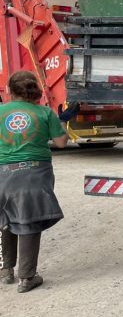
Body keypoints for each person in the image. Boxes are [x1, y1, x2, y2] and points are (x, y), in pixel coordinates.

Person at [0, 70, 68, 293]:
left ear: (10, 90)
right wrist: (62, 123)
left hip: (2, 173)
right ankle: (27, 278)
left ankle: (6, 270)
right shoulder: (45, 112)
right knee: (28, 221)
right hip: (34, 174)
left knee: (5, 218)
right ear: (35, 89)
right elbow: (61, 143)